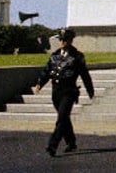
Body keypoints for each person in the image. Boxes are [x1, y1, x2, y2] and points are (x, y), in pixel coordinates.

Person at [33, 27, 94, 157]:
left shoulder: (77, 56)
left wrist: (90, 90)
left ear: (71, 41)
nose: (62, 42)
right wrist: (40, 84)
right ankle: (71, 142)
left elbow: (85, 74)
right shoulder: (54, 55)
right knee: (64, 118)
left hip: (69, 91)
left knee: (61, 119)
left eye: (65, 40)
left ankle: (52, 145)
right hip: (56, 92)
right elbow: (47, 71)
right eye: (61, 40)